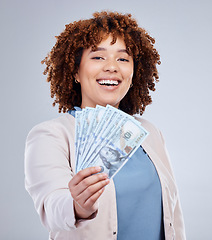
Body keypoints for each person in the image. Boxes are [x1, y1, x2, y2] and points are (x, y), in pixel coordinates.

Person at [24, 11, 186, 240]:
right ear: (75, 71)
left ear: (133, 73)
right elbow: (51, 206)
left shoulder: (150, 133)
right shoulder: (51, 135)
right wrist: (78, 206)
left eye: (123, 58)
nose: (112, 67)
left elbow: (174, 215)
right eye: (98, 57)